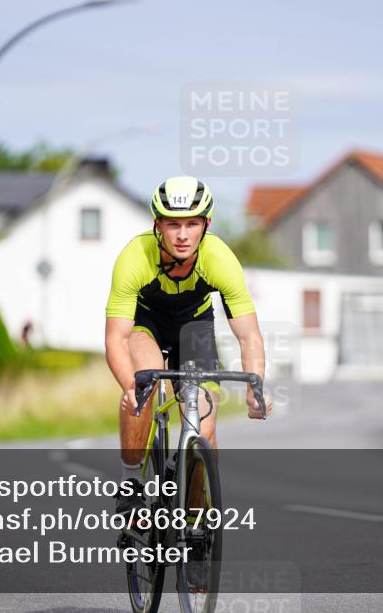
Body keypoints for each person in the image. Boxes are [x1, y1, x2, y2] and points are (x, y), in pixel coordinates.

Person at [104, 176, 272, 514]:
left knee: (204, 433)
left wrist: (255, 388)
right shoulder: (135, 257)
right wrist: (128, 387)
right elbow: (115, 338)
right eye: (173, 224)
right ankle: (131, 482)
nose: (182, 235)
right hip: (146, 324)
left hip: (194, 326)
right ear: (158, 225)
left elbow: (249, 336)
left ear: (206, 225)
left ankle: (194, 519)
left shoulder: (219, 259)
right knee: (144, 381)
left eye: (192, 224)